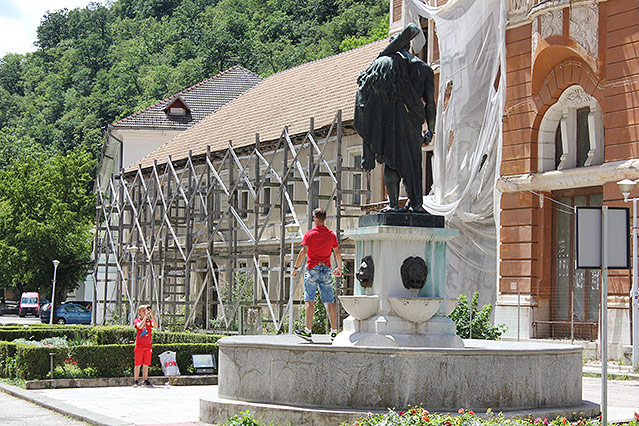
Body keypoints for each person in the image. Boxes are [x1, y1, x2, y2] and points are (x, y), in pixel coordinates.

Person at [354, 23, 436, 212]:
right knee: (413, 163)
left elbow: (366, 97)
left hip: (389, 121)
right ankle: (415, 203)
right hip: (413, 122)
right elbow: (429, 104)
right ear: (408, 46)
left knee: (392, 159)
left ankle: (393, 204)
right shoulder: (424, 69)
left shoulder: (383, 65)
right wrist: (430, 129)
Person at [292, 208, 342, 341]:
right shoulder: (331, 235)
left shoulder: (309, 234)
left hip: (312, 268)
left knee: (310, 299)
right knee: (330, 301)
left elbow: (303, 252)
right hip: (326, 269)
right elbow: (336, 252)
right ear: (325, 219)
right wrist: (339, 267)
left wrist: (295, 268)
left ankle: (308, 330)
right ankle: (334, 331)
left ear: (315, 219)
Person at [133, 304, 157, 387]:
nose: (145, 311)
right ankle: (136, 380)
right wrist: (145, 318)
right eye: (143, 310)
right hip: (139, 345)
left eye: (145, 310)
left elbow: (156, 325)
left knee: (146, 364)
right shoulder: (137, 320)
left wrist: (151, 315)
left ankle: (145, 379)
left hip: (148, 345)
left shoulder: (149, 321)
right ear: (139, 312)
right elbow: (139, 327)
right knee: (138, 364)